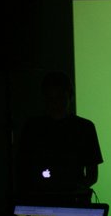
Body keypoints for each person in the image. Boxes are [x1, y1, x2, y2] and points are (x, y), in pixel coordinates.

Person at [15, 71, 102, 204]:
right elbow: (92, 174)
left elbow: (92, 174)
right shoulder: (85, 126)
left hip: (50, 199)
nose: (55, 103)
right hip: (58, 199)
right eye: (51, 98)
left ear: (70, 97)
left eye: (60, 98)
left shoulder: (32, 126)